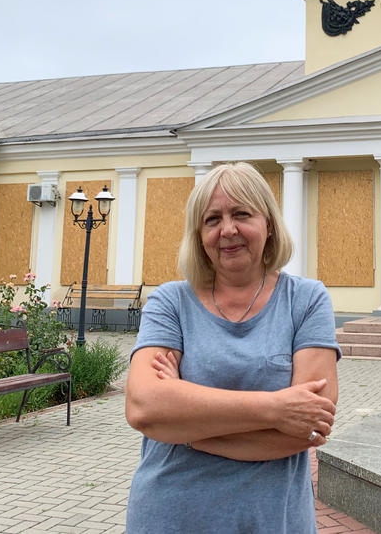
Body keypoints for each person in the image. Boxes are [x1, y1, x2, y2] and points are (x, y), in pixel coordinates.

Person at [125, 162, 341, 533]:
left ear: (268, 224)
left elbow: (308, 427)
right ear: (199, 233)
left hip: (273, 520)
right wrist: (276, 408)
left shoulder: (305, 300)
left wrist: (184, 425)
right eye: (212, 219)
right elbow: (144, 408)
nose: (228, 230)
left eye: (241, 213)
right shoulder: (170, 302)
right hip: (171, 516)